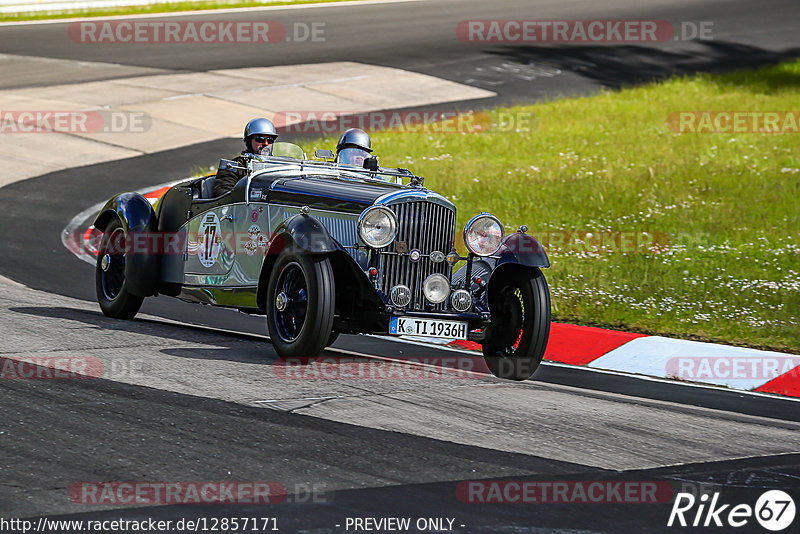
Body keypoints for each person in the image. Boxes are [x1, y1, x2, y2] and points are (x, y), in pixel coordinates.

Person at [212, 118, 278, 197]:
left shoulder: (279, 165)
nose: (266, 143)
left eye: (270, 140)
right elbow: (222, 193)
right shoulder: (233, 166)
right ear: (249, 141)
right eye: (260, 139)